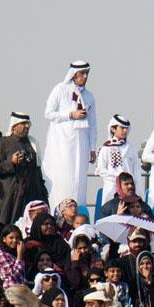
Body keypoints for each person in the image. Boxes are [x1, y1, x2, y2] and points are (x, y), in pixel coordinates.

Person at [43, 61, 97, 208]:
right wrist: (70, 114)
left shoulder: (89, 97)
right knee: (63, 178)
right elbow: (48, 113)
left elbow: (92, 124)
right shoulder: (60, 90)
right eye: (82, 74)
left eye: (87, 73)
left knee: (79, 181)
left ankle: (78, 214)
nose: (85, 77)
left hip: (82, 143)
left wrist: (93, 148)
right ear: (74, 74)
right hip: (62, 142)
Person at [0, 111, 48, 225]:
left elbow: (37, 169)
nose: (26, 127)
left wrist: (42, 192)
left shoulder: (32, 143)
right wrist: (11, 162)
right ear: (14, 126)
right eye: (23, 124)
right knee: (7, 223)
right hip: (11, 192)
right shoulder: (2, 143)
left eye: (28, 124)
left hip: (32, 191)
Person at [95, 114, 141, 202]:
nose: (125, 131)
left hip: (129, 188)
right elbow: (100, 169)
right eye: (122, 128)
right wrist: (117, 178)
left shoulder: (131, 147)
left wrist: (136, 187)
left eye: (126, 128)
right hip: (112, 187)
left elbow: (136, 169)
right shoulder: (106, 148)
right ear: (113, 129)